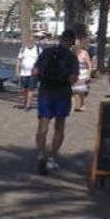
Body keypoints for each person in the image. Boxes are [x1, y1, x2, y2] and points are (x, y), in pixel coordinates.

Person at [32, 29, 79, 175]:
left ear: (60, 39)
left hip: (45, 92)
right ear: (72, 42)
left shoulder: (46, 52)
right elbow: (73, 78)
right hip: (62, 94)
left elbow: (34, 71)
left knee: (43, 125)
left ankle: (40, 154)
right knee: (59, 126)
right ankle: (52, 159)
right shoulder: (72, 57)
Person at [15, 39, 41, 110]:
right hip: (23, 73)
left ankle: (28, 105)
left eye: (32, 41)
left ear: (34, 42)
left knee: (30, 89)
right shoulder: (23, 49)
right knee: (24, 89)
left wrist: (39, 70)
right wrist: (17, 71)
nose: (30, 43)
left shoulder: (38, 49)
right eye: (29, 41)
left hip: (33, 73)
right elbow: (18, 60)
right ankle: (25, 102)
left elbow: (42, 60)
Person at [72, 36, 93, 111]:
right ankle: (72, 106)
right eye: (74, 45)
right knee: (72, 92)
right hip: (73, 75)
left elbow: (89, 64)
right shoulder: (71, 53)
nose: (75, 46)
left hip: (83, 75)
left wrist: (89, 74)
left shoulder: (84, 53)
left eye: (77, 45)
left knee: (81, 91)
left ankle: (82, 104)